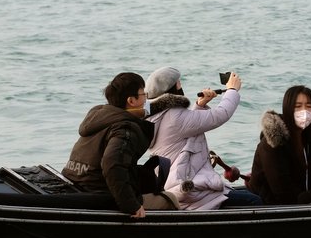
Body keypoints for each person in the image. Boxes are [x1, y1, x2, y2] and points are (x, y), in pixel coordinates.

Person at [145, 66, 261, 209]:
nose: (181, 85)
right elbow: (220, 115)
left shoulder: (158, 116)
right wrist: (232, 90)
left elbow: (185, 128)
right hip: (191, 192)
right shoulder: (174, 117)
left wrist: (200, 105)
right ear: (172, 89)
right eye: (179, 83)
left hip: (175, 187)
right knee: (256, 202)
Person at [63, 72, 168, 218]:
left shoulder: (99, 115)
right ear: (131, 100)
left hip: (75, 180)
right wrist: (131, 205)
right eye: (143, 94)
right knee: (170, 200)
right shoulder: (125, 128)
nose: (146, 98)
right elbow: (112, 164)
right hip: (99, 192)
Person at [247, 85, 311, 204]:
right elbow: (282, 192)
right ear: (287, 109)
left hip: (301, 201)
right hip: (268, 206)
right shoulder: (272, 144)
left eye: (309, 106)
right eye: (297, 106)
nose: (304, 111)